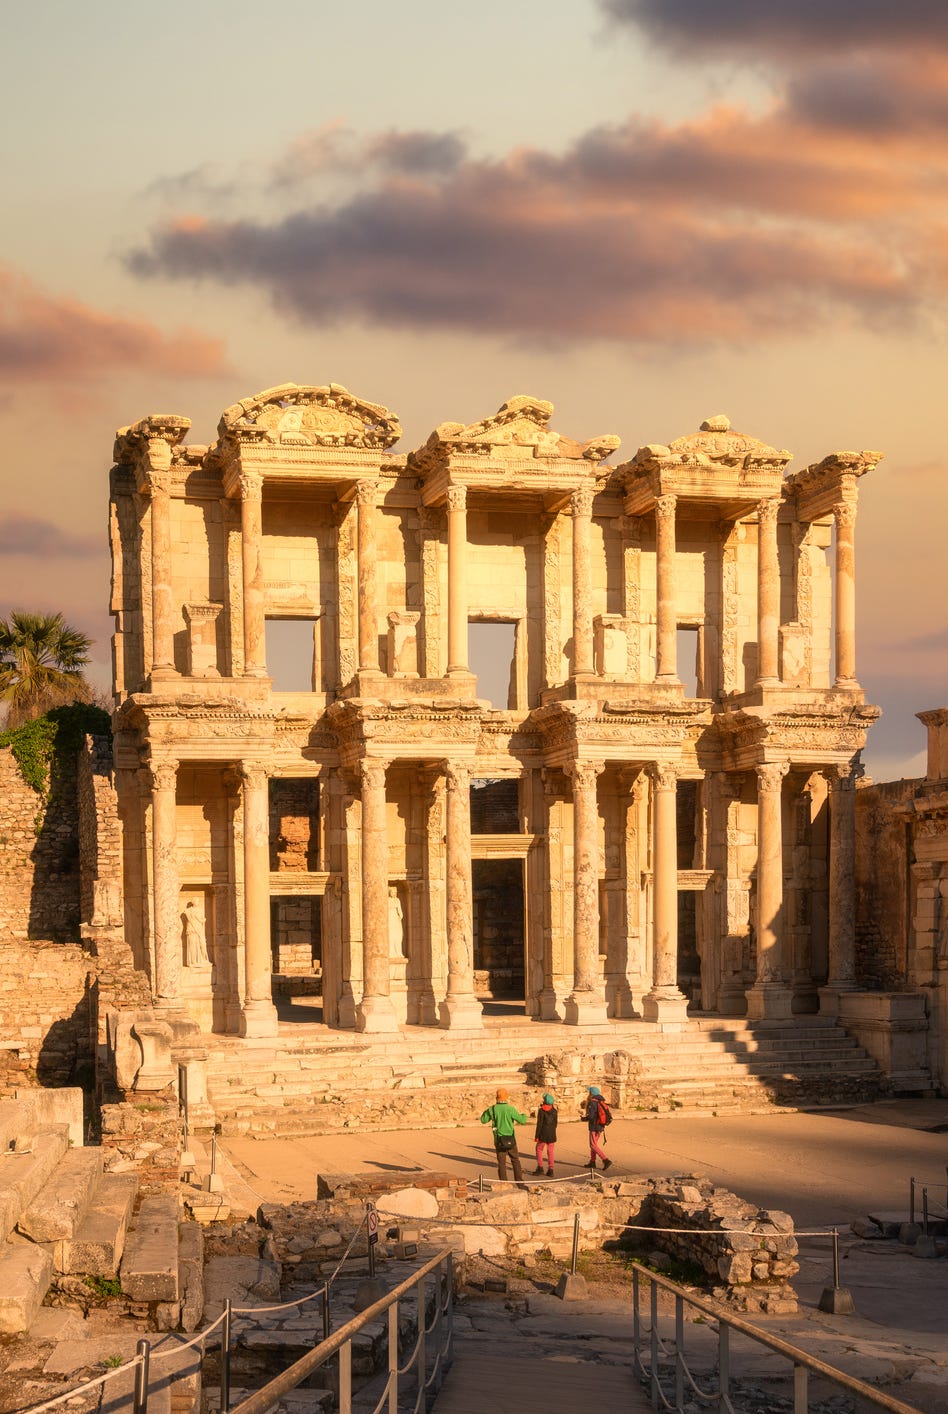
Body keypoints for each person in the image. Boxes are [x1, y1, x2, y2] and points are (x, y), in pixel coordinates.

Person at [480, 1087, 528, 1183]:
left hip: (499, 1140)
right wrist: (524, 1115)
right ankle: (519, 1182)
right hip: (510, 1139)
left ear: (496, 1098)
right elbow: (522, 1120)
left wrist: (486, 1112)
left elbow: (483, 1120)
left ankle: (504, 1183)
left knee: (501, 1163)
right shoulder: (510, 1109)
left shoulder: (492, 1109)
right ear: (506, 1097)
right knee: (515, 1160)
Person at [580, 1085, 612, 1171]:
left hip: (594, 1127)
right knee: (594, 1145)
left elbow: (591, 1117)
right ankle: (592, 1162)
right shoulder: (601, 1101)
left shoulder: (592, 1102)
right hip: (601, 1126)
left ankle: (606, 1160)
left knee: (593, 1145)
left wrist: (583, 1118)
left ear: (591, 1093)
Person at [533, 1091, 558, 1176]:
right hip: (552, 1134)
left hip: (543, 1134)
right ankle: (551, 1169)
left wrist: (536, 1136)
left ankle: (540, 1167)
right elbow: (555, 1124)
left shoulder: (541, 1111)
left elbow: (539, 1124)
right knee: (550, 1151)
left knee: (539, 1149)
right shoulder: (554, 1111)